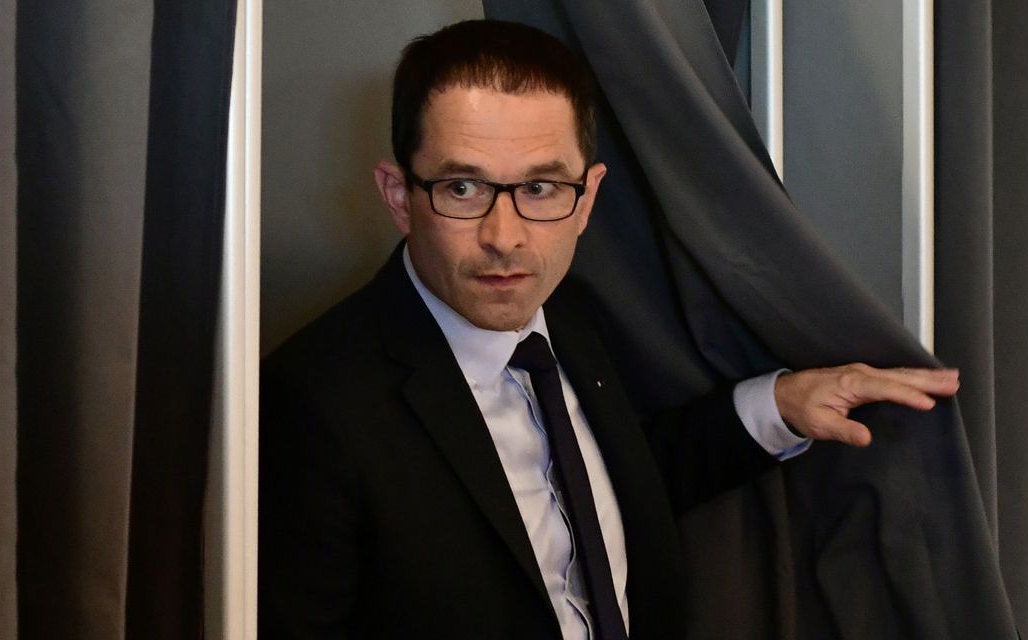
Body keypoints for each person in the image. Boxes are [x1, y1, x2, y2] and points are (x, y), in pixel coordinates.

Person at [259, 19, 959, 640]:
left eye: (540, 189)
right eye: (463, 188)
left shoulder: (573, 315)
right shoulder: (312, 401)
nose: (505, 237)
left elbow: (613, 480)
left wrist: (776, 407)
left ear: (587, 197)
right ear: (399, 197)